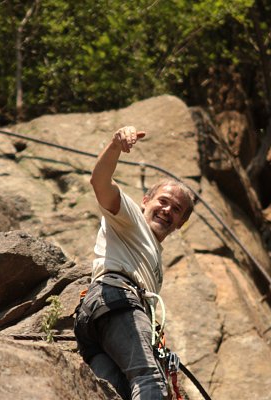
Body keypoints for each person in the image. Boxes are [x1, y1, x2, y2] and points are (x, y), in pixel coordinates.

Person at [74, 126, 195, 400]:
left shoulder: (153, 257)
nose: (167, 210)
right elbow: (100, 182)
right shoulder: (131, 218)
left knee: (113, 391)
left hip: (101, 317)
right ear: (145, 201)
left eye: (176, 210)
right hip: (117, 300)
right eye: (163, 201)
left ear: (181, 224)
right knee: (149, 379)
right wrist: (116, 145)